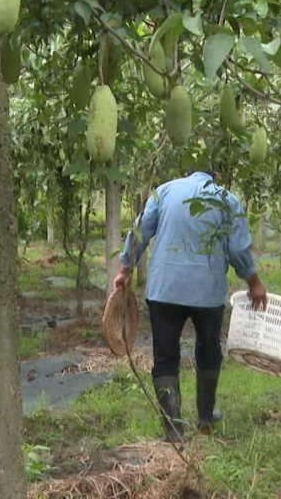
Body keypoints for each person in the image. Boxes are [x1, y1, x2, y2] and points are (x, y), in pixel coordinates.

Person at [112, 165, 267, 442]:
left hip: (164, 290)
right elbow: (237, 248)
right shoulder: (226, 199)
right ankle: (205, 419)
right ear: (216, 176)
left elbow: (140, 231)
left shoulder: (165, 191)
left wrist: (126, 268)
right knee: (208, 351)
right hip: (206, 291)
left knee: (165, 356)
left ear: (186, 173)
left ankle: (174, 431)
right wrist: (253, 281)